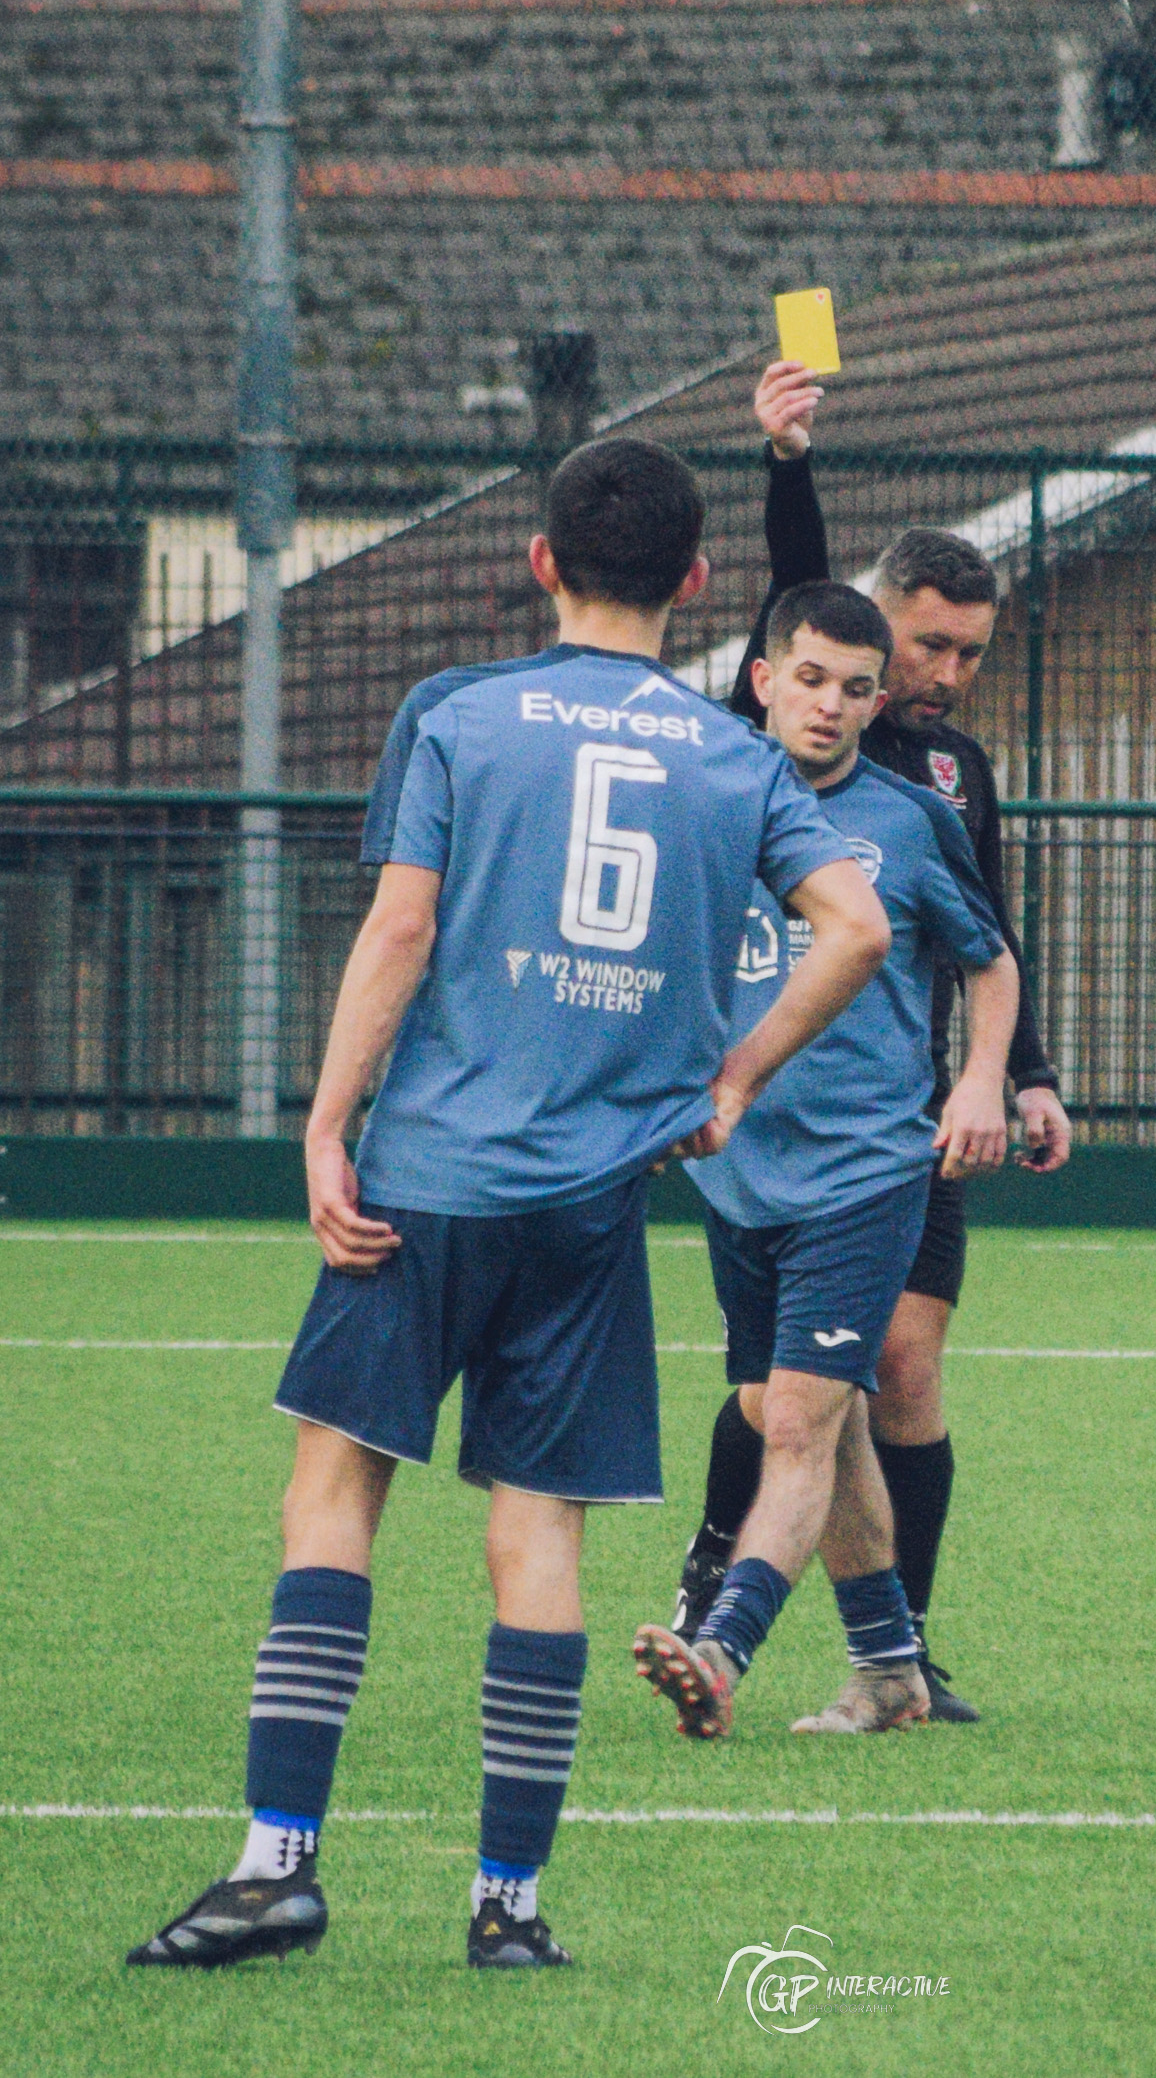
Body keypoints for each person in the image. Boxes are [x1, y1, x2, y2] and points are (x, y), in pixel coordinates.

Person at [125, 439, 890, 1974]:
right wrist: (729, 1082)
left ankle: (278, 1870)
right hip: (590, 1205)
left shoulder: (458, 713)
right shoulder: (733, 755)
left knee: (332, 1498)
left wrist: (327, 1125)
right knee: (534, 1537)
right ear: (693, 587)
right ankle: (509, 1907)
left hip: (421, 1182)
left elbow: (401, 924)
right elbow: (856, 924)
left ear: (540, 562)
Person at [670, 359, 1071, 1722]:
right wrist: (784, 460)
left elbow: (989, 940)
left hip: (883, 1137)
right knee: (791, 1402)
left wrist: (1011, 1077)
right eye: (925, 648)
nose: (938, 677)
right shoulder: (753, 744)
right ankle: (869, 1649)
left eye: (968, 654)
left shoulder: (939, 787)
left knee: (867, 1380)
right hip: (749, 1150)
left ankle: (773, 1639)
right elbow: (800, 597)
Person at [634, 580, 1019, 1739]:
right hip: (738, 1174)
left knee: (802, 1417)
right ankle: (890, 1666)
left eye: (858, 687)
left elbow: (989, 959)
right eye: (808, 679)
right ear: (761, 679)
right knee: (814, 1419)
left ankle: (719, 1649)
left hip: (865, 1170)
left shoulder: (906, 819)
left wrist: (982, 1077)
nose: (832, 706)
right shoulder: (697, 805)